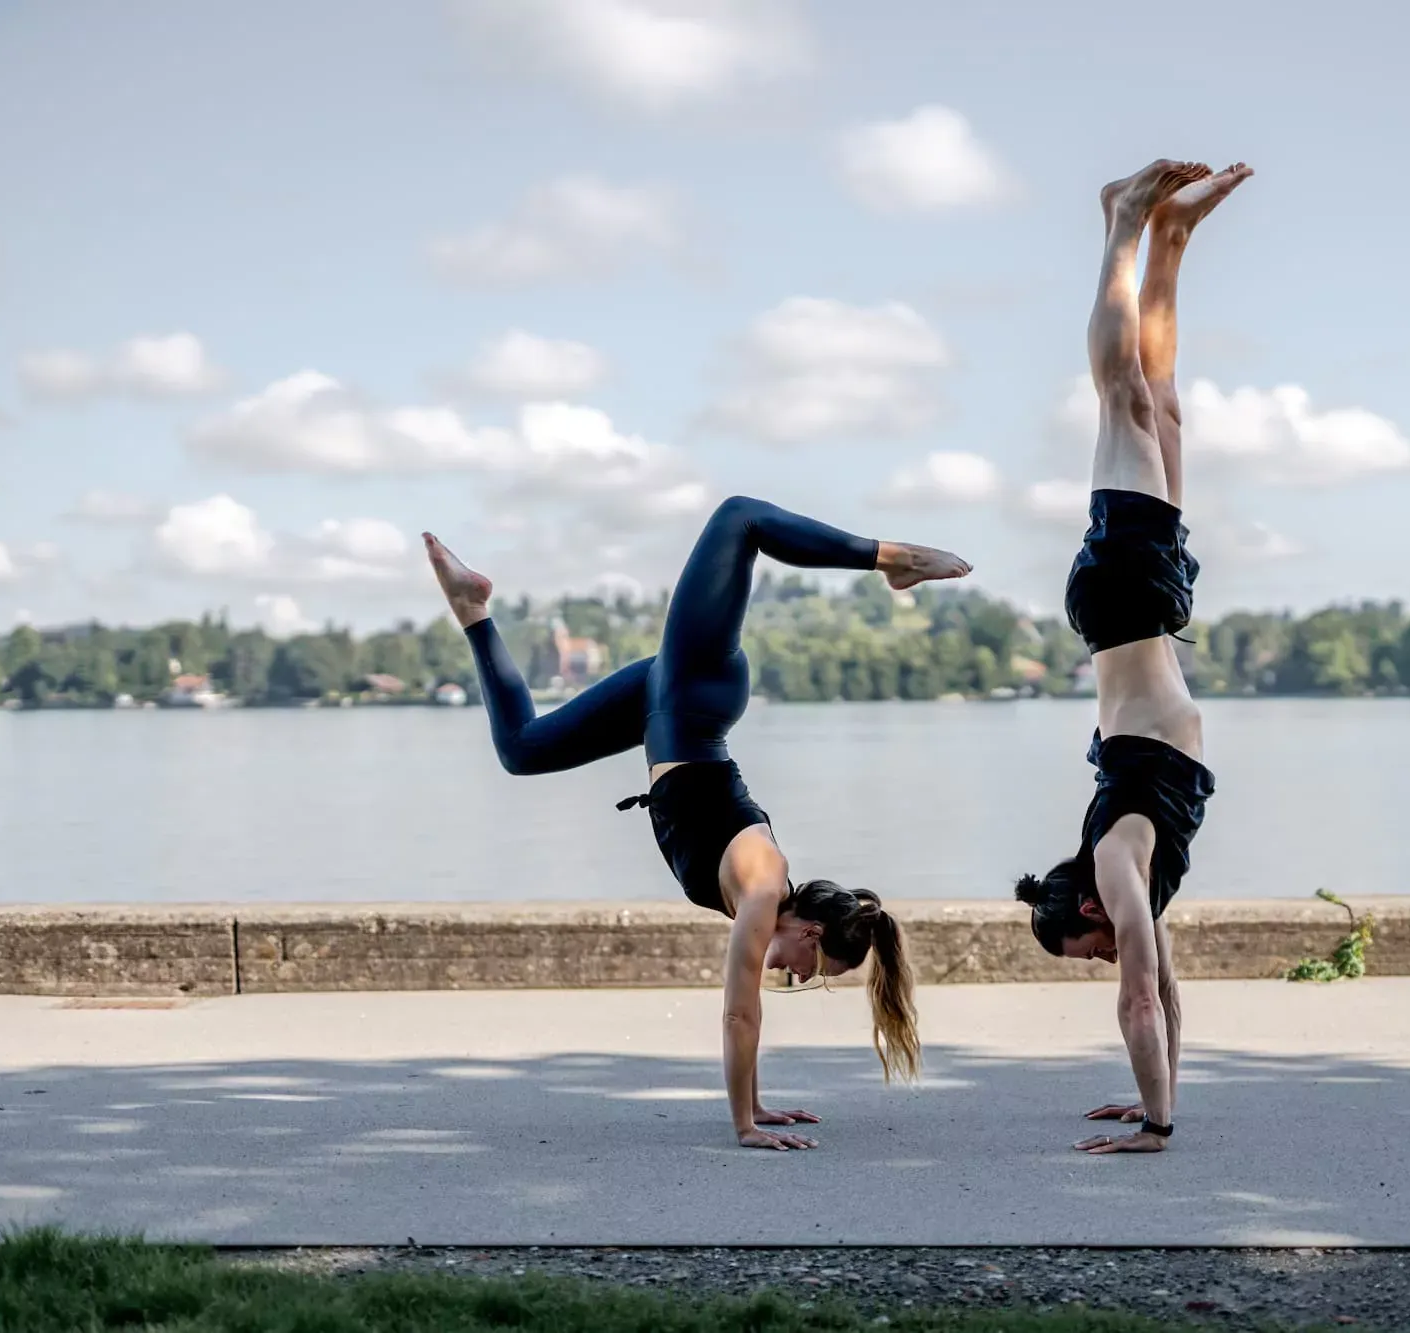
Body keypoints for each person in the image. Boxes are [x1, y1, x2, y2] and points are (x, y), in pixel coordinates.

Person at [424, 497, 970, 1149]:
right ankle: (897, 559)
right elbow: (740, 1012)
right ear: (811, 930)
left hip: (667, 703)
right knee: (740, 519)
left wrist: (758, 1104)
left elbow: (748, 1014)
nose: (795, 976)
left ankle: (472, 607)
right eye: (813, 966)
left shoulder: (762, 893)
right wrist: (743, 1126)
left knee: (522, 747)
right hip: (692, 691)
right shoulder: (764, 891)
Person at [1014, 158, 1254, 1154]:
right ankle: (1172, 242)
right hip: (1147, 602)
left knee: (1117, 399)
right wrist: (1162, 1103)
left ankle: (1120, 222)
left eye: (1087, 947)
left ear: (1081, 905)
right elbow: (1166, 997)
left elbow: (1140, 1003)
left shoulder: (1115, 859)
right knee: (1160, 405)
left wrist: (1153, 1127)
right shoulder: (1133, 877)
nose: (1105, 955)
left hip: (1122, 598)